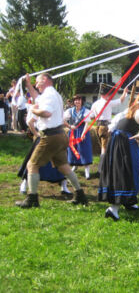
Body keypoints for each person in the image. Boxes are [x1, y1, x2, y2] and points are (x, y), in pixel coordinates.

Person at [15, 73, 87, 208]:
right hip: (59, 135)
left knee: (32, 165)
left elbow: (46, 113)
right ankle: (80, 194)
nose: (36, 85)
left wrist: (33, 110)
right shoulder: (52, 94)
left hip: (51, 136)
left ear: (45, 80)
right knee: (64, 167)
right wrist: (28, 85)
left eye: (37, 82)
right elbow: (38, 98)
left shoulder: (49, 95)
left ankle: (32, 199)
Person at [98, 92, 139, 221]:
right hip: (126, 143)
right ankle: (113, 209)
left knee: (120, 170)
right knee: (130, 170)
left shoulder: (128, 110)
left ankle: (130, 202)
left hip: (115, 141)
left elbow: (111, 127)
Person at [90, 87, 127, 174]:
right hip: (105, 127)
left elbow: (92, 116)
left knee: (103, 147)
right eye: (109, 94)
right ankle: (101, 169)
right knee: (104, 148)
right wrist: (125, 92)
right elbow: (121, 100)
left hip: (97, 127)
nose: (110, 96)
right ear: (106, 95)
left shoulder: (95, 104)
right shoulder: (107, 103)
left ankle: (102, 168)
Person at [64, 95, 93, 180]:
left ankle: (87, 170)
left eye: (79, 100)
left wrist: (83, 133)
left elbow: (87, 123)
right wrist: (69, 126)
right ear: (74, 101)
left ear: (82, 101)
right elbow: (62, 120)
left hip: (83, 132)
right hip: (73, 132)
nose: (77, 101)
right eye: (76, 100)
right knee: (74, 149)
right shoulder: (69, 111)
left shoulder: (86, 111)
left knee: (84, 150)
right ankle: (75, 165)